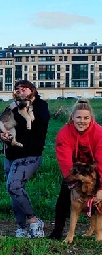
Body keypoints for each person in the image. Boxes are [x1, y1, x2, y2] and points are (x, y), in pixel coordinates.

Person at [0, 80, 50, 238]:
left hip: (30, 155)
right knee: (14, 191)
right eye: (17, 89)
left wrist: (18, 108)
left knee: (14, 187)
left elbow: (39, 122)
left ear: (32, 90)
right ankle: (22, 227)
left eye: (23, 89)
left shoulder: (40, 106)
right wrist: (0, 136)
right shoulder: (11, 106)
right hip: (10, 155)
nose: (19, 91)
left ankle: (33, 221)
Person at [48, 99, 102, 240]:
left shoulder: (99, 133)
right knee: (64, 196)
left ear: (91, 118)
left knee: (100, 200)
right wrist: (73, 188)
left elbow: (101, 161)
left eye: (86, 118)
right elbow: (65, 162)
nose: (82, 121)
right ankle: (58, 230)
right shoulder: (64, 134)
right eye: (78, 117)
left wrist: (100, 188)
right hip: (75, 170)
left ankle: (97, 231)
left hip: (96, 170)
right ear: (72, 117)